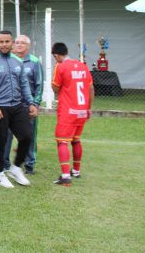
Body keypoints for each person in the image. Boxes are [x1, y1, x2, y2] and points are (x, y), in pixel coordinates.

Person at [0, 30, 37, 188]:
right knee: (1, 140)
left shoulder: (18, 61)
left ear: (12, 43)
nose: (4, 44)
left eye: (7, 41)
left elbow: (24, 84)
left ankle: (16, 168)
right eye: (1, 42)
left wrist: (31, 102)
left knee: (27, 136)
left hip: (17, 106)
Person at [51, 42, 94, 186]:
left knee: (62, 141)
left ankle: (65, 176)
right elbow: (91, 88)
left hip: (68, 111)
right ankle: (76, 171)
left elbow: (55, 88)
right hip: (82, 110)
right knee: (76, 140)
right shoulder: (83, 66)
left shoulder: (60, 66)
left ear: (56, 55)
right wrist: (88, 108)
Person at [4, 35, 43, 174]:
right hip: (10, 105)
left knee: (29, 135)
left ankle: (29, 165)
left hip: (28, 106)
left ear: (28, 46)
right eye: (17, 42)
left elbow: (39, 85)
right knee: (6, 135)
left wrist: (35, 104)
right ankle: (5, 164)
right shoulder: (9, 60)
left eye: (23, 43)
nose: (19, 45)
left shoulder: (34, 62)